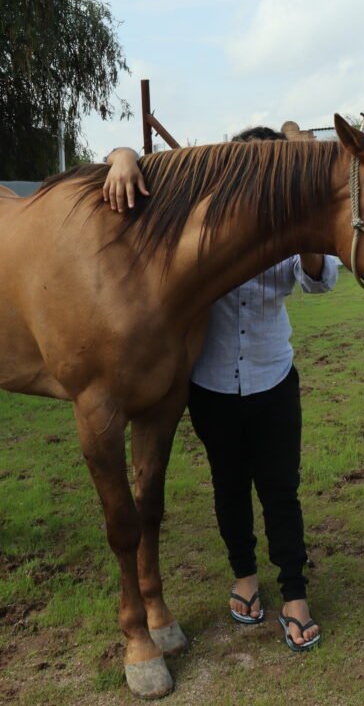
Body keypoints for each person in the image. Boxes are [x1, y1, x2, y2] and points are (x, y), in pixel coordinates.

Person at [103, 127, 338, 651]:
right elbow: (152, 177)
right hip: (211, 381)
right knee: (228, 487)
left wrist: (306, 227)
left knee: (281, 490)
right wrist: (122, 154)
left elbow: (319, 280)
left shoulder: (287, 229)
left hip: (273, 377)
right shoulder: (206, 225)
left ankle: (295, 593)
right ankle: (245, 576)